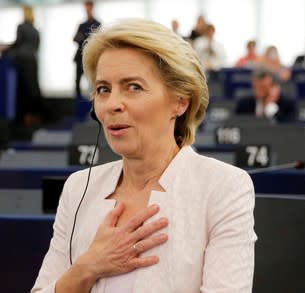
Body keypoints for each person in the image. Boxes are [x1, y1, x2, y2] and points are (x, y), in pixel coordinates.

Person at [32, 19, 256, 292]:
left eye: (133, 87)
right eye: (104, 89)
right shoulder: (79, 187)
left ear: (180, 101)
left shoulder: (222, 187)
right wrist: (88, 267)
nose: (112, 104)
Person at [6, 5, 42, 127]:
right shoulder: (36, 30)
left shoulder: (21, 27)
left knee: (23, 90)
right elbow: (37, 47)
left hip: (22, 61)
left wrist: (5, 49)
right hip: (32, 61)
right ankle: (35, 117)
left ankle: (24, 119)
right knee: (34, 89)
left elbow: (17, 43)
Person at [73, 0, 101, 98]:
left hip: (91, 57)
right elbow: (75, 38)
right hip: (80, 57)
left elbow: (98, 41)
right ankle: (78, 104)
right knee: (77, 81)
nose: (86, 9)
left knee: (92, 82)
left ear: (91, 7)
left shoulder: (97, 24)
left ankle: (93, 104)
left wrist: (83, 37)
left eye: (88, 7)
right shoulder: (81, 25)